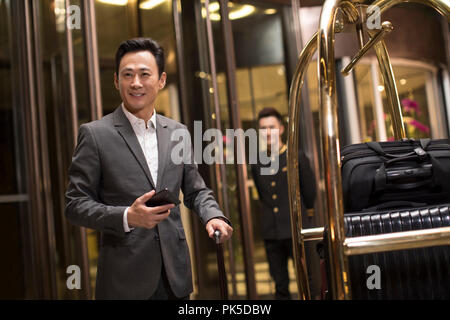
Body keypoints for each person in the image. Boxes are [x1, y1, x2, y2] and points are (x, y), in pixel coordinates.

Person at [65, 38, 233, 300]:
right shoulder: (95, 135)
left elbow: (195, 190)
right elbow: (75, 205)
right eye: (127, 75)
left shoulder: (178, 132)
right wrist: (127, 217)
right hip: (124, 281)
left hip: (174, 277)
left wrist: (214, 216)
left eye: (144, 74)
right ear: (116, 80)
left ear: (161, 80)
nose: (136, 83)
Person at [251, 107, 315, 300]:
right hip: (272, 232)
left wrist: (306, 217)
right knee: (280, 286)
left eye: (271, 127)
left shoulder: (295, 156)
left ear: (281, 129)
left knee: (307, 280)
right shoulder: (257, 163)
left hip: (295, 228)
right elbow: (263, 196)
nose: (267, 132)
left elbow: (309, 192)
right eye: (263, 128)